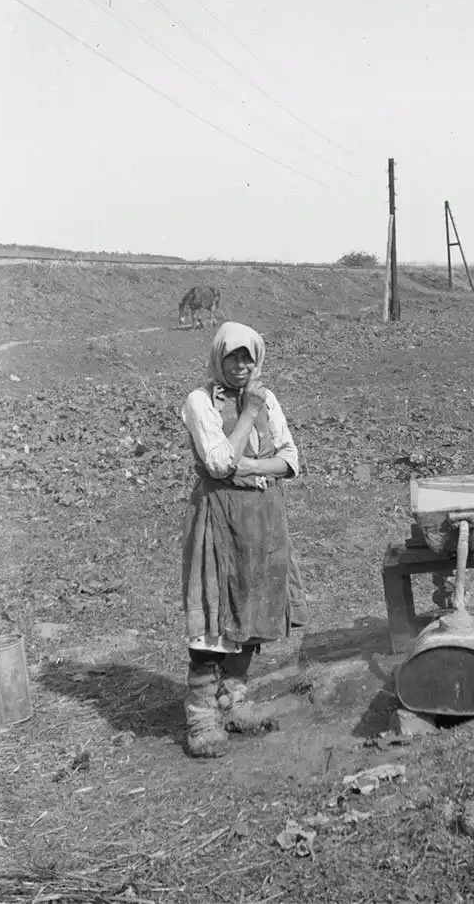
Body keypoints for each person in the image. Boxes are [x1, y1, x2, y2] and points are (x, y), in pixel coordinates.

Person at [180, 321, 308, 757]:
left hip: (263, 519)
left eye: (249, 357)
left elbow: (291, 460)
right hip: (219, 517)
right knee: (215, 612)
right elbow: (217, 463)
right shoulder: (200, 402)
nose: (242, 365)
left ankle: (233, 699)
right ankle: (200, 714)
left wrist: (248, 467)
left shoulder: (268, 398)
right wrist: (249, 414)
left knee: (255, 605)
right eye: (233, 356)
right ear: (219, 358)